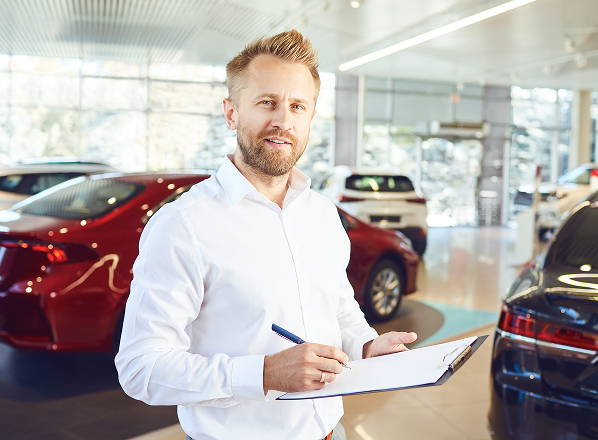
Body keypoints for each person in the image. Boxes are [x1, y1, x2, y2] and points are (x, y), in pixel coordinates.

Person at [115, 29, 417, 440]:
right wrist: (265, 373)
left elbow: (340, 310)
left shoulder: (323, 215)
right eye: (267, 103)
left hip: (332, 433)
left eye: (297, 106)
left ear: (311, 116)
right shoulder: (183, 225)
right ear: (231, 112)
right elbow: (141, 368)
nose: (283, 121)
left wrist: (366, 345)